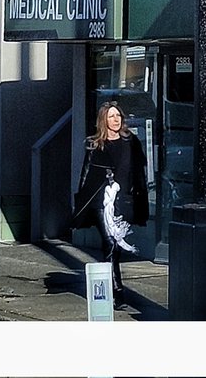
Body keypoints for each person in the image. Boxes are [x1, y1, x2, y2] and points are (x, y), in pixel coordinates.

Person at [73, 101, 148, 303]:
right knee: (110, 241)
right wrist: (81, 201)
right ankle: (117, 289)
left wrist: (139, 194)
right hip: (101, 199)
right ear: (103, 120)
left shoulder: (130, 141)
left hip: (122, 200)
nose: (116, 120)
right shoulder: (95, 143)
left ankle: (110, 283)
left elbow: (138, 169)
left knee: (114, 244)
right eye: (111, 117)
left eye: (118, 116)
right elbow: (86, 173)